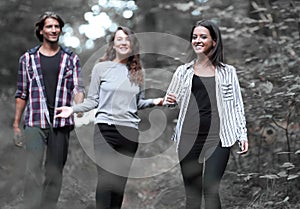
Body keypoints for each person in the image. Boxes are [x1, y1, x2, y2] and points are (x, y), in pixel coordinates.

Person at [55, 26, 164, 209]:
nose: (123, 42)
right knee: (106, 180)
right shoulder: (101, 68)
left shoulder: (137, 72)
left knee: (118, 185)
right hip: (106, 129)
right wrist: (72, 109)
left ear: (132, 45)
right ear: (113, 44)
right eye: (119, 39)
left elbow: (137, 103)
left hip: (129, 132)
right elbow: (93, 100)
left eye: (127, 39)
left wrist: (157, 101)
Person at [164, 19, 249, 209]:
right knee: (192, 195)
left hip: (218, 138)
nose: (197, 40)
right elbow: (171, 101)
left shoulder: (228, 73)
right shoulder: (182, 71)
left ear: (214, 41)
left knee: (211, 190)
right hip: (188, 138)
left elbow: (236, 105)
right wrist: (169, 101)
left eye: (203, 36)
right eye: (194, 37)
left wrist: (242, 134)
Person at [13, 11, 85, 209]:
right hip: (35, 121)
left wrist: (77, 108)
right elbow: (21, 93)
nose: (53, 30)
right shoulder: (27, 59)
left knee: (54, 171)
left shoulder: (71, 58)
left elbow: (78, 88)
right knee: (32, 169)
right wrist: (16, 124)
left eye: (56, 26)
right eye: (49, 26)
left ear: (60, 29)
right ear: (41, 30)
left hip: (61, 123)